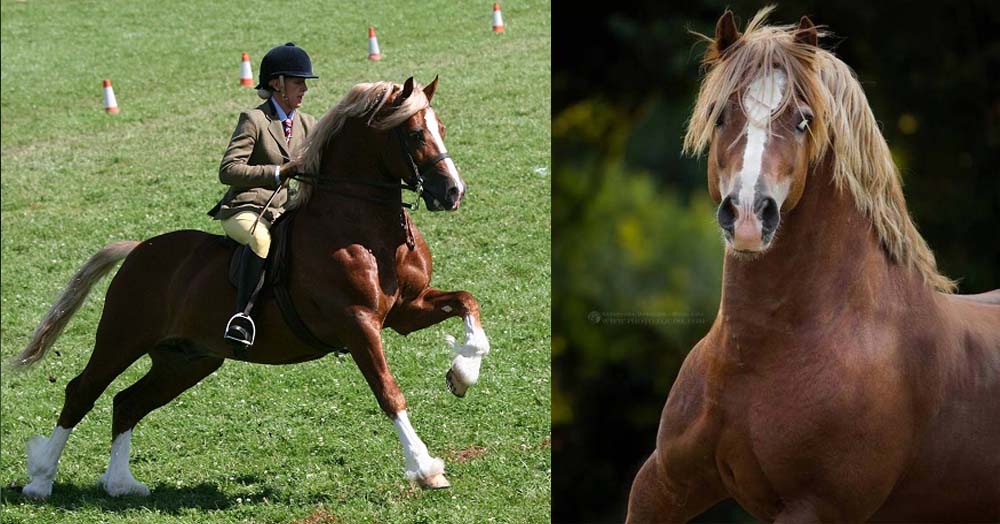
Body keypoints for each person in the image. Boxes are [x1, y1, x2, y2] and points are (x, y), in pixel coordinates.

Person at [208, 42, 318, 348]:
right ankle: (242, 318)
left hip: (283, 210)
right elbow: (228, 169)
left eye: (305, 83)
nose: (304, 89)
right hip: (244, 208)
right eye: (298, 82)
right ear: (277, 83)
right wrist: (276, 173)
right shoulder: (254, 120)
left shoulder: (308, 124)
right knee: (260, 240)